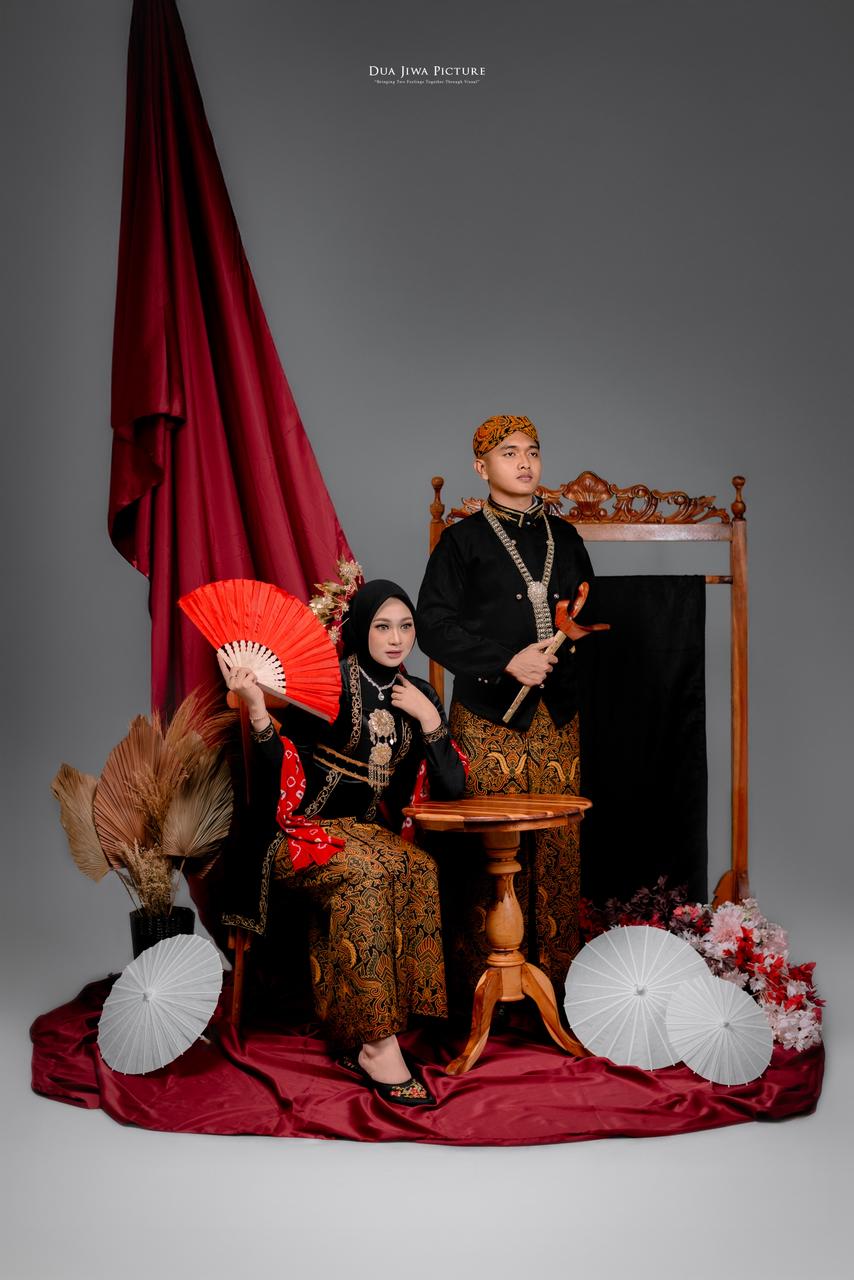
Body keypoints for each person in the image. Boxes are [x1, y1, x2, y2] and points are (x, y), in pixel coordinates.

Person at [221, 580, 467, 1107]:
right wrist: (257, 708)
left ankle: (382, 1022)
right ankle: (377, 1045)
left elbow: (452, 789)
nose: (396, 639)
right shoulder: (328, 683)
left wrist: (429, 720)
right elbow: (274, 773)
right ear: (360, 629)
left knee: (419, 866)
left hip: (364, 833)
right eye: (383, 626)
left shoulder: (418, 695)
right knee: (369, 872)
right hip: (297, 832)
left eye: (406, 627)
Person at [417, 415, 595, 1011]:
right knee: (487, 849)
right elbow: (432, 626)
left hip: (557, 717)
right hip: (488, 717)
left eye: (533, 452)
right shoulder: (461, 542)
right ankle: (479, 990)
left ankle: (558, 987)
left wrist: (565, 646)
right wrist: (504, 661)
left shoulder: (565, 536)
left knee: (557, 849)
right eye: (509, 452)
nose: (525, 463)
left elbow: (583, 612)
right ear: (482, 466)